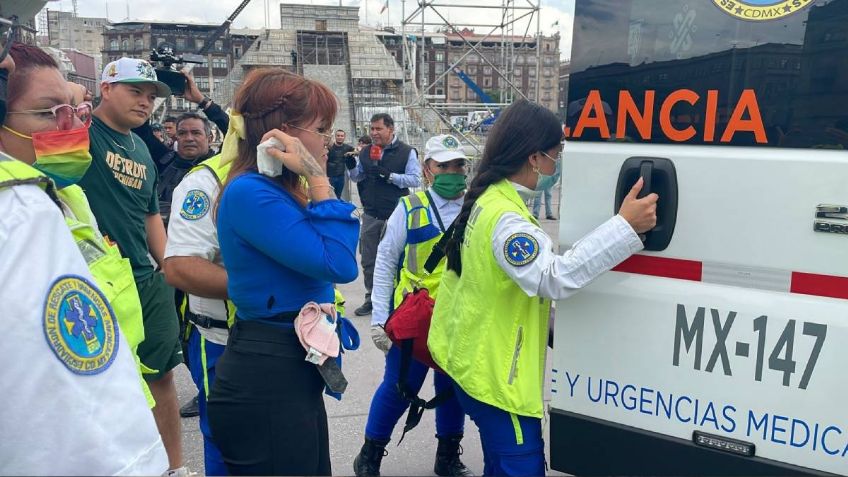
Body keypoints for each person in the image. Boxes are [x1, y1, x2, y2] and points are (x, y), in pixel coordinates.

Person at [427, 100, 658, 477]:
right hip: (499, 382)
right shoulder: (507, 220)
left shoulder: (489, 199)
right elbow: (553, 277)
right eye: (557, 153)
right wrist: (624, 226)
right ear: (535, 158)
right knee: (521, 467)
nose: (557, 163)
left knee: (498, 467)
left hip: (471, 367)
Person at [0, 37, 167, 475]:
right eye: (46, 112)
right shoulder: (19, 208)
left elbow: (151, 213)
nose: (68, 125)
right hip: (82, 453)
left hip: (117, 411)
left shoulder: (64, 193)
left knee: (161, 375)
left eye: (72, 113)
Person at [208, 68, 360, 476]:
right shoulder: (251, 192)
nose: (328, 140)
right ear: (280, 136)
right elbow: (340, 263)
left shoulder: (277, 191)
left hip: (288, 365)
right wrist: (318, 177)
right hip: (267, 374)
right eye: (321, 129)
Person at [77, 57, 188, 476]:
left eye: (150, 96)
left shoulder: (140, 146)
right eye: (134, 91)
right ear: (106, 88)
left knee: (162, 375)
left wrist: (169, 265)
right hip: (94, 278)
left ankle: (173, 467)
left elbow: (149, 216)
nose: (145, 102)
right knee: (103, 382)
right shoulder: (83, 131)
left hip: (144, 277)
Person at [355, 134, 472, 477]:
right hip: (415, 316)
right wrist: (379, 319)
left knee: (450, 389)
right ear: (427, 169)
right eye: (444, 165)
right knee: (399, 387)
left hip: (457, 317)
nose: (453, 172)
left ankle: (448, 455)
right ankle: (369, 455)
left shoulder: (475, 208)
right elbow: (385, 264)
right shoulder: (409, 208)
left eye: (458, 165)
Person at [163, 151, 233, 475]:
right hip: (220, 335)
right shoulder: (206, 181)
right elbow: (181, 267)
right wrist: (269, 288)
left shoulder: (299, 170)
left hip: (288, 337)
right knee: (224, 436)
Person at [346, 113, 421, 316]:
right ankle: (372, 298)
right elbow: (358, 176)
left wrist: (390, 177)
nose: (374, 133)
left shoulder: (406, 152)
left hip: (396, 214)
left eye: (378, 129)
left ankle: (398, 298)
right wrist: (351, 168)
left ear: (391, 129)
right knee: (369, 259)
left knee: (397, 258)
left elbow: (415, 179)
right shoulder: (367, 152)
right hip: (371, 214)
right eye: (371, 129)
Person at [156, 112, 217, 223]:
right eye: (182, 133)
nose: (189, 138)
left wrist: (205, 103)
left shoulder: (219, 167)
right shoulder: (164, 164)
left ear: (210, 138)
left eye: (196, 133)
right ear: (176, 137)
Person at [327, 129, 353, 198]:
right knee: (330, 197)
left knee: (338, 197)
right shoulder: (329, 147)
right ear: (335, 136)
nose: (340, 137)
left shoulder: (347, 147)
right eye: (338, 135)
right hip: (330, 177)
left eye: (342, 136)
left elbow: (359, 151)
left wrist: (352, 153)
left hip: (341, 177)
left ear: (344, 137)